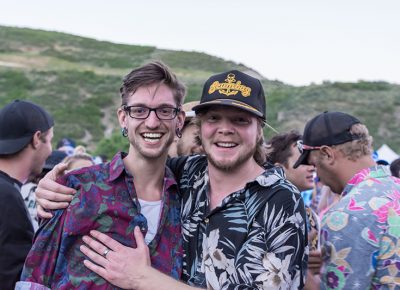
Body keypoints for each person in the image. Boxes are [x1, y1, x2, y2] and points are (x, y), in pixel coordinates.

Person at [36, 70, 308, 289]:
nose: (225, 129)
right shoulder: (186, 174)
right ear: (198, 126)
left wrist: (144, 278)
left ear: (259, 129)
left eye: (240, 120)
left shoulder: (282, 200)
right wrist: (52, 187)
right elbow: (137, 163)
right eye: (214, 118)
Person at [17, 61, 186, 289]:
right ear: (123, 118)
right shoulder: (76, 187)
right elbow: (35, 278)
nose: (153, 122)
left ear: (179, 120)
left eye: (165, 110)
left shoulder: (187, 199)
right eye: (139, 110)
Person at [294, 111, 400, 289]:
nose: (317, 176)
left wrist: (303, 274)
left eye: (314, 165)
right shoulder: (395, 188)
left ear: (327, 154)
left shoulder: (345, 216)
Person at [0, 100, 54, 290]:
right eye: (50, 140)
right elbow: (12, 278)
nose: (51, 150)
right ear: (36, 139)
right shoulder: (7, 196)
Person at [265, 131, 321, 289]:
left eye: (311, 161)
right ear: (279, 168)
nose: (312, 168)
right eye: (303, 162)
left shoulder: (309, 214)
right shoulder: (264, 211)